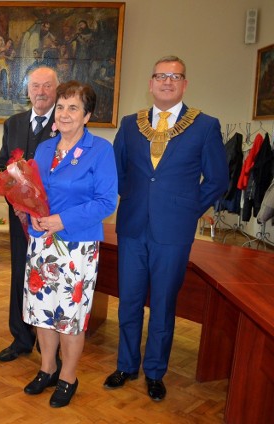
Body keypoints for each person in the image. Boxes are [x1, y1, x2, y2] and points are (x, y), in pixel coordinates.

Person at [104, 56, 228, 401]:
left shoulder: (204, 125)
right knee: (128, 301)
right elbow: (118, 171)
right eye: (161, 76)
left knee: (162, 303)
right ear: (151, 83)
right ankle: (126, 365)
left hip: (174, 230)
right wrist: (131, 196)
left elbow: (218, 180)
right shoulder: (131, 124)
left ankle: (155, 371)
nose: (167, 82)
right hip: (131, 225)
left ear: (185, 84)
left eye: (175, 77)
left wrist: (188, 209)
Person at [23, 81, 117, 408]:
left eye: (73, 108)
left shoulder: (100, 150)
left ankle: (68, 376)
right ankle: (47, 368)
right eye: (61, 107)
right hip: (41, 242)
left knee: (69, 317)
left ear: (87, 115)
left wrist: (60, 221)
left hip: (77, 246)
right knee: (41, 312)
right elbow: (31, 191)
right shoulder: (44, 149)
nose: (64, 114)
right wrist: (30, 213)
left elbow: (107, 202)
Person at [0, 66, 59, 362]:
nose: (41, 92)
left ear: (55, 91)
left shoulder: (64, 122)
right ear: (28, 90)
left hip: (50, 221)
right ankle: (20, 338)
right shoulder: (14, 123)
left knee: (49, 278)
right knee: (20, 273)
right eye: (36, 86)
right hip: (19, 216)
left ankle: (50, 347)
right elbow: (2, 162)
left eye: (47, 86)